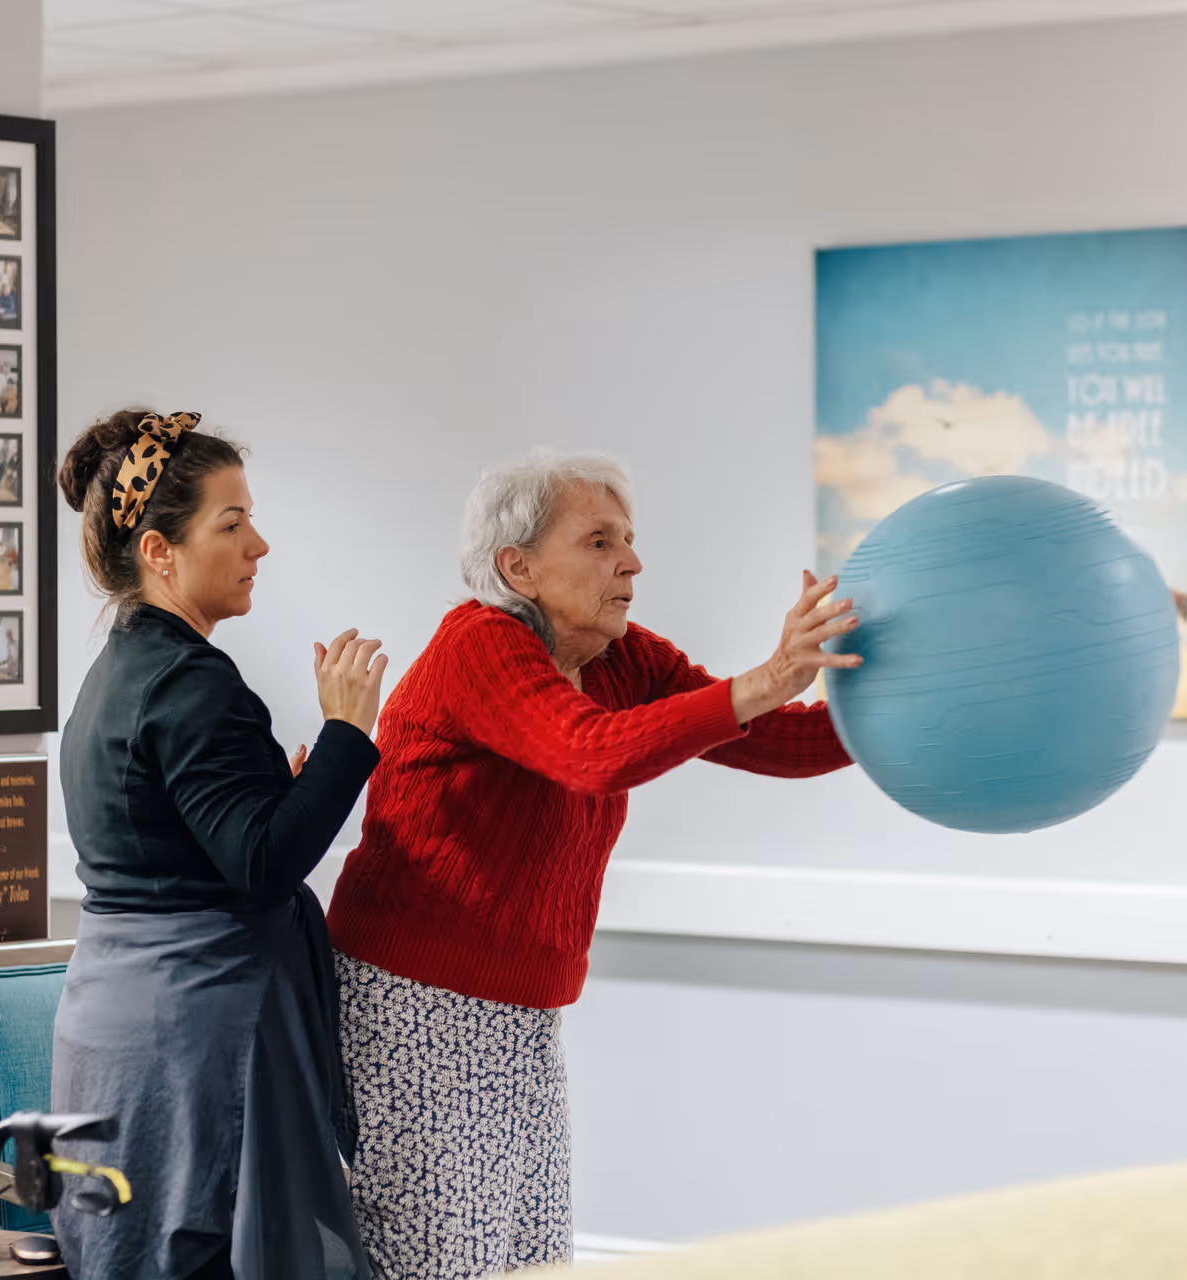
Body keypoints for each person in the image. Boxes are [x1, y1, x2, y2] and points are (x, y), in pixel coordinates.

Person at [326, 449, 859, 1279]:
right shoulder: (478, 644)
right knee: (440, 1267)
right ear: (520, 567)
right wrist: (767, 678)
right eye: (601, 541)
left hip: (523, 1018)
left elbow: (775, 740)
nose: (632, 561)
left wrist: (906, 713)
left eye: (630, 540)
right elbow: (586, 752)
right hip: (413, 1008)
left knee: (533, 1261)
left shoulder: (621, 657)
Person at [51, 409, 389, 1280]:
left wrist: (293, 785)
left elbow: (183, 839)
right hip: (196, 1032)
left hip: (121, 1018)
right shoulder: (192, 682)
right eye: (232, 525)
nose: (259, 546)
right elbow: (263, 861)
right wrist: (349, 735)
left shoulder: (118, 670)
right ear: (161, 552)